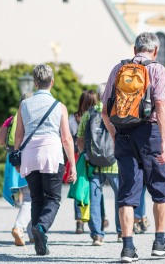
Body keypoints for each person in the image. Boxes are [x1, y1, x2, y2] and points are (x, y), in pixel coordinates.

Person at [102, 32, 165, 263]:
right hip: (149, 133)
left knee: (126, 192)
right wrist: (164, 142)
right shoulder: (158, 70)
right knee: (160, 187)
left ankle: (127, 248)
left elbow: (105, 110)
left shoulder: (118, 69)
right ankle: (160, 242)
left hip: (123, 133)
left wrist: (115, 136)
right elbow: (161, 105)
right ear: (155, 51)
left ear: (135, 49)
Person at [14, 64, 77, 256]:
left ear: (34, 82)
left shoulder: (24, 104)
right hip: (51, 154)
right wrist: (72, 165)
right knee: (54, 198)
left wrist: (17, 160)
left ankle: (39, 243)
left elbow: (18, 135)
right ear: (52, 82)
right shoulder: (59, 106)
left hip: (30, 155)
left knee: (36, 199)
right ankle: (41, 227)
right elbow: (66, 138)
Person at [77, 83, 121, 246]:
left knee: (94, 198)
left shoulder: (89, 113)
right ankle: (121, 232)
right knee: (120, 197)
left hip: (94, 162)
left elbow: (80, 138)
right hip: (114, 162)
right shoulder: (117, 110)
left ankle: (97, 235)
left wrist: (86, 155)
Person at [0, 93, 34, 246]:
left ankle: (32, 234)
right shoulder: (32, 117)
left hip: (12, 159)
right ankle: (19, 227)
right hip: (28, 159)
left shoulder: (11, 119)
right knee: (31, 197)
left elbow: (0, 140)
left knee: (30, 197)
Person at [68, 90, 100, 234]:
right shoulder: (98, 116)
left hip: (77, 156)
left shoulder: (73, 118)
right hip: (96, 156)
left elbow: (69, 139)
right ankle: (99, 219)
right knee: (95, 188)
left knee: (79, 188)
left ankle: (79, 221)